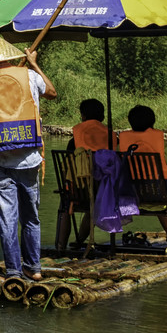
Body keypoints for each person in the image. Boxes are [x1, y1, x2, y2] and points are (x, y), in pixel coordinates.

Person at [0, 31, 58, 279]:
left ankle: (14, 271)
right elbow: (51, 92)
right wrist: (34, 63)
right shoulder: (29, 76)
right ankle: (34, 268)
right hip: (28, 158)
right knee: (31, 218)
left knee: (8, 219)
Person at [117, 104, 167, 253]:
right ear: (152, 122)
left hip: (133, 192)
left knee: (159, 193)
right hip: (160, 192)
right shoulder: (161, 144)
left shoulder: (122, 143)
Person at [63, 98, 110, 253]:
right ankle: (79, 240)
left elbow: (68, 167)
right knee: (94, 205)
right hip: (103, 192)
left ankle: (60, 245)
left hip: (77, 190)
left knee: (64, 206)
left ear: (82, 116)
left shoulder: (74, 140)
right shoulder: (111, 137)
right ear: (102, 117)